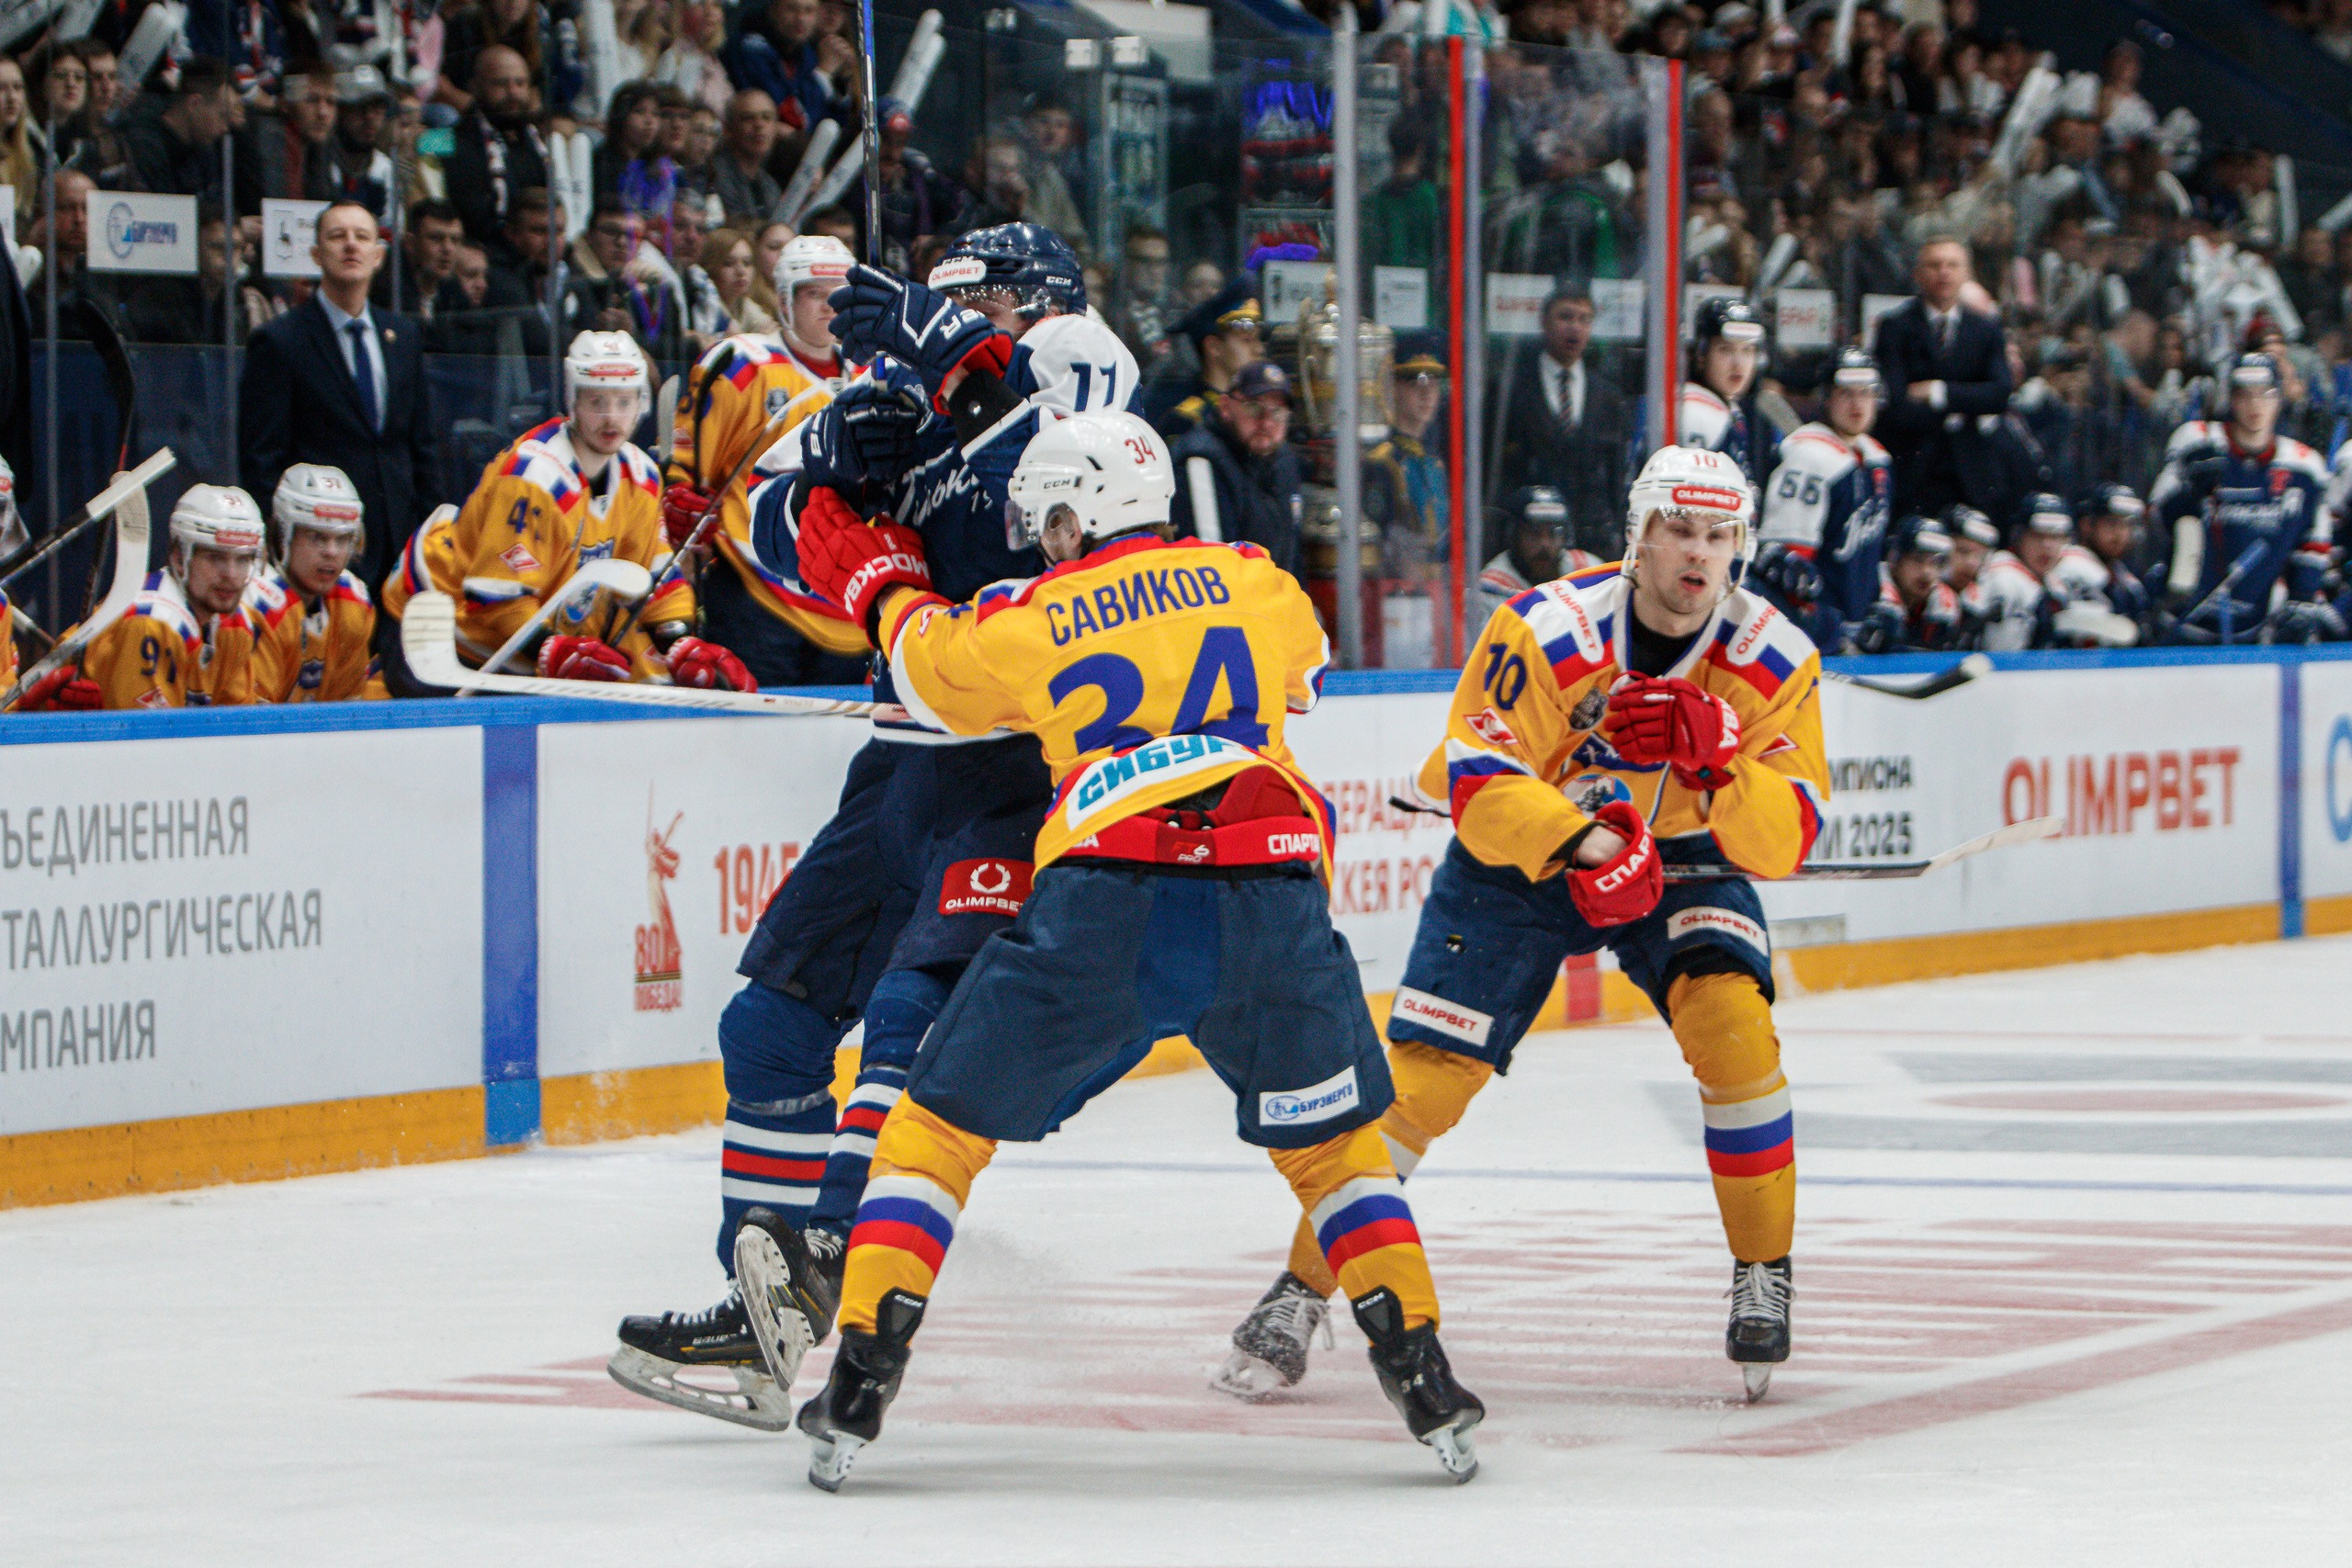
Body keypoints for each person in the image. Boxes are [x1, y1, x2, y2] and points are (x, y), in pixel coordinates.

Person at [762, 407, 1483, 1488]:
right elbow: (1304, 675)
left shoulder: (1033, 610)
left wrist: (879, 578)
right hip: (1268, 894)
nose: (1041, 540)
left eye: (1047, 520)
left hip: (1106, 897)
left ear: (1074, 512)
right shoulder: (1255, 576)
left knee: (933, 1132)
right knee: (1335, 1148)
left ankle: (862, 1374)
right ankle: (1423, 1377)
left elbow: (922, 668)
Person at [608, 223, 1136, 1431]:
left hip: (1019, 768)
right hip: (898, 766)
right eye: (956, 299)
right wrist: (821, 476)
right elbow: (760, 540)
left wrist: (974, 374)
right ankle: (759, 1313)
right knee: (771, 1018)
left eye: (989, 297)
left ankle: (841, 1257)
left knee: (908, 1014)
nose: (967, 313)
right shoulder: (902, 400)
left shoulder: (1082, 375)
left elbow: (1088, 522)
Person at [1213, 445, 1824, 1408]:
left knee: (1734, 1030)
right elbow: (1476, 780)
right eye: (1677, 530)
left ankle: (1763, 1270)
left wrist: (1725, 776)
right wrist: (1584, 845)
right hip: (1531, 857)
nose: (1696, 556)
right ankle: (1301, 1286)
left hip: (1681, 858)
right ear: (1638, 536)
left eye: (1717, 535)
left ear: (1739, 546)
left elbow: (1790, 833)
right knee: (1421, 1087)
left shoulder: (1773, 658)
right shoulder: (1545, 629)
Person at [446, 331, 753, 690]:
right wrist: (552, 650)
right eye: (597, 402)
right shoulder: (534, 477)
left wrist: (681, 644)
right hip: (462, 644)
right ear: (572, 401)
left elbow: (654, 576)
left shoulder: (640, 476)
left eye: (624, 402)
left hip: (540, 655)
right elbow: (497, 597)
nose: (611, 419)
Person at [661, 233, 868, 687]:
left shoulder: (874, 376)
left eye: (840, 293)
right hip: (755, 596)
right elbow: (686, 470)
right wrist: (681, 502)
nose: (830, 306)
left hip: (848, 601)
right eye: (814, 293)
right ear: (783, 300)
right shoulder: (741, 365)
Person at [239, 200, 442, 616]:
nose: (351, 246)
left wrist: (428, 531)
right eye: (337, 236)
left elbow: (422, 445)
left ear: (379, 256)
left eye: (362, 237)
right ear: (316, 255)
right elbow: (262, 459)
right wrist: (278, 549)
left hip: (399, 543)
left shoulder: (403, 336)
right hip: (321, 545)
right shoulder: (281, 341)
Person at [16, 487, 269, 711]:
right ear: (180, 557)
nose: (231, 575)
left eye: (243, 559)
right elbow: (146, 748)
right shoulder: (150, 623)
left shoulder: (232, 625)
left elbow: (239, 729)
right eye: (215, 558)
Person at [2148, 353, 2332, 644]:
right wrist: (2188, 494)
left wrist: (2303, 597)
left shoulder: (2304, 467)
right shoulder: (2197, 442)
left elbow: (2313, 540)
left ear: (2279, 399)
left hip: (2254, 628)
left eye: (2265, 394)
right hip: (2180, 620)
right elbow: (2157, 517)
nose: (2255, 405)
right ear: (2231, 398)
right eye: (2244, 395)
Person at [1754, 348, 1892, 651]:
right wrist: (1821, 625)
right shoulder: (1808, 456)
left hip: (1855, 628)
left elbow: (1870, 551)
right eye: (1846, 393)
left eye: (1866, 393)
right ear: (1827, 397)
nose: (1857, 404)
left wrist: (1880, 602)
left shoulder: (1876, 458)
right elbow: (1788, 560)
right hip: (1814, 638)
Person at [1870, 236, 2012, 518]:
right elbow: (1897, 404)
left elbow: (1999, 394)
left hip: (1969, 470)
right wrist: (1964, 408)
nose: (1944, 272)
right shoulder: (1895, 326)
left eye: (1952, 265)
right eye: (1934, 265)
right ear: (1918, 274)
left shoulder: (1986, 329)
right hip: (1912, 465)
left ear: (1966, 274)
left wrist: (1940, 393)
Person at [1495, 285, 1631, 559]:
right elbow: (1498, 471)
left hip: (1593, 542)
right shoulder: (1511, 391)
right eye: (1565, 317)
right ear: (1544, 322)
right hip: (1532, 543)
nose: (1575, 328)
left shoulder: (1609, 397)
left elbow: (1617, 477)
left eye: (1584, 319)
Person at [246, 465, 378, 703]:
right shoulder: (256, 604)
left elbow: (348, 712)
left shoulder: (352, 602)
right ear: (283, 534)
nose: (332, 552)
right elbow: (257, 727)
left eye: (343, 539)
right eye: (317, 537)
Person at [1168, 360, 1305, 578]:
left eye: (1277, 412)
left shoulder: (1283, 459)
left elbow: (1292, 556)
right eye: (1253, 408)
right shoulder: (1201, 460)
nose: (1266, 422)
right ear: (1225, 407)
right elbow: (1211, 572)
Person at [444, 47, 549, 247]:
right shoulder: (455, 141)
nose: (513, 93)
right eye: (501, 84)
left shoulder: (536, 141)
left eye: (520, 83)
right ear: (474, 87)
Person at [1147, 278, 1261, 438]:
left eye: (1258, 339)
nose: (1259, 349)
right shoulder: (1189, 419)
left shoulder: (1256, 406)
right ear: (1214, 347)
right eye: (1247, 340)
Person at [1680, 297, 1771, 486]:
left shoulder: (1730, 408)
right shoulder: (1695, 410)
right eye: (1726, 350)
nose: (1738, 364)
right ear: (1701, 355)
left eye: (1747, 350)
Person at [120, 55, 237, 198]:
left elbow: (216, 203)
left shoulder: (205, 147)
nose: (225, 128)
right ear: (194, 104)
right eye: (222, 116)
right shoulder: (145, 145)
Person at [1476, 484, 1598, 620]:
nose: (1544, 544)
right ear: (1512, 536)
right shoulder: (1490, 591)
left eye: (1554, 532)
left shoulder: (1590, 571)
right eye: (1533, 533)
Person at [1850, 515, 1968, 653]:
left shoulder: (1946, 607)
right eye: (1917, 560)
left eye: (1936, 562)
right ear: (1894, 559)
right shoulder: (1866, 588)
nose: (1926, 572)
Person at [725, 0, 839, 136]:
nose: (801, 19)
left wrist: (841, 84)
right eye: (791, 9)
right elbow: (794, 121)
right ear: (773, 10)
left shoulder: (807, 53)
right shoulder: (750, 50)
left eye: (809, 11)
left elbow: (834, 124)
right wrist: (823, 75)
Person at [1969, 495, 2063, 651]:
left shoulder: (2053, 579)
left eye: (2055, 536)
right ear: (2018, 536)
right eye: (2037, 536)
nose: (2047, 545)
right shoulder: (2005, 578)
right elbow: (2001, 655)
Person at [713, 90, 786, 226]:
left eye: (767, 117)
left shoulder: (771, 187)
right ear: (728, 128)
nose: (759, 125)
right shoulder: (714, 176)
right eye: (748, 118)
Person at [703, 227, 777, 333]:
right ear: (711, 266)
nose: (741, 272)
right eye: (728, 263)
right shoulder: (708, 306)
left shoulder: (743, 304)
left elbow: (770, 329)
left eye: (747, 263)